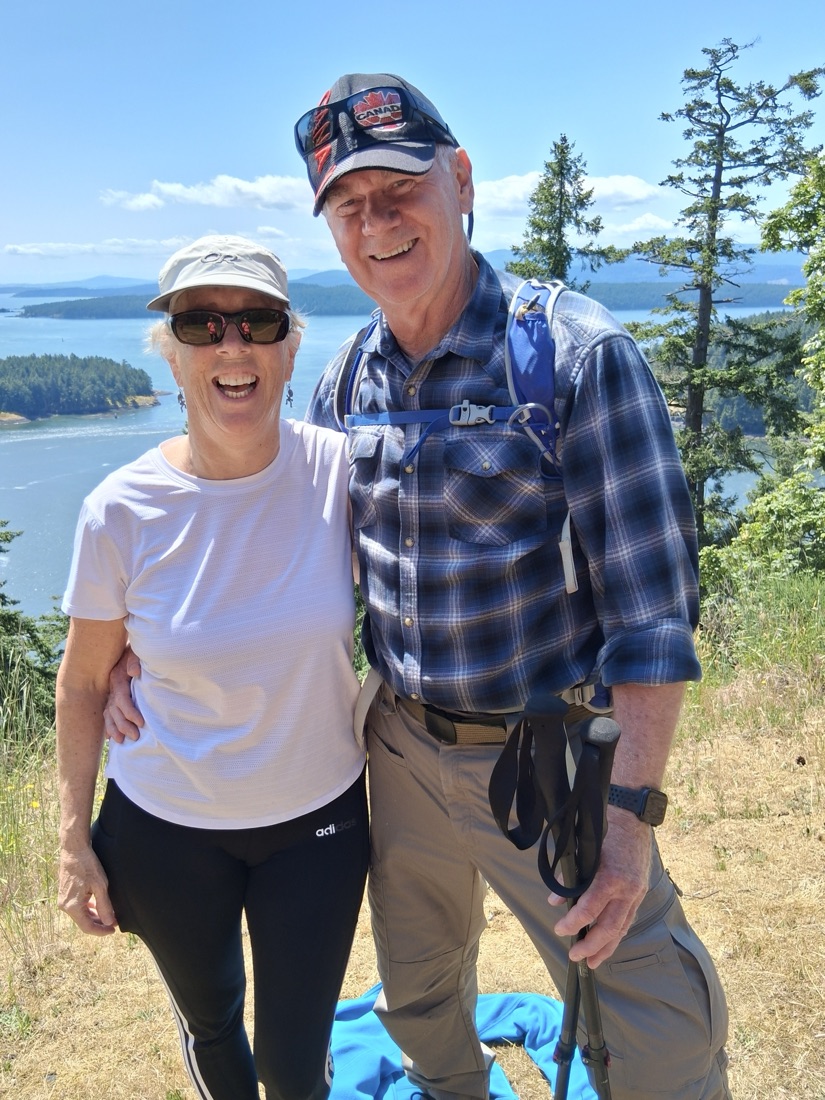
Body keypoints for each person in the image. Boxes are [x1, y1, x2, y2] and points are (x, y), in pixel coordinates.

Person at [108, 78, 730, 1100]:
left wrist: (628, 825)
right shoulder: (344, 380)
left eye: (400, 188)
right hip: (397, 744)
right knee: (421, 990)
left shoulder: (575, 356)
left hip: (552, 755)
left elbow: (653, 617)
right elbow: (268, 542)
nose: (378, 222)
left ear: (462, 182)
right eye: (350, 205)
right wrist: (143, 638)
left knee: (655, 1022)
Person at [56, 234, 369, 1100]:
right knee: (214, 1029)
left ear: (289, 346)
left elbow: (432, 590)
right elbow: (84, 681)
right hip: (164, 831)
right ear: (174, 356)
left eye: (258, 322)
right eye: (202, 325)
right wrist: (73, 841)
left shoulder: (342, 474)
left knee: (295, 1064)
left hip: (319, 825)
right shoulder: (118, 511)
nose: (233, 347)